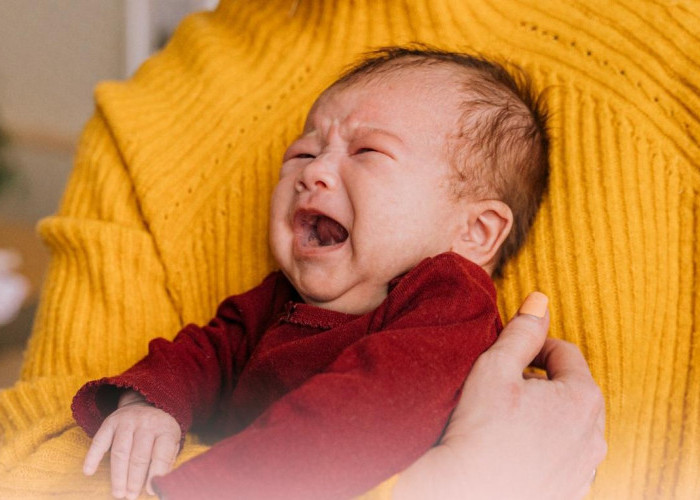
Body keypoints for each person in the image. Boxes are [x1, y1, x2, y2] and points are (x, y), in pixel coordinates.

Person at [71, 47, 559, 499]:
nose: (312, 171)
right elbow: (206, 354)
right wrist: (149, 407)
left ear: (476, 229)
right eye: (302, 154)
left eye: (367, 152)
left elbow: (362, 415)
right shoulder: (279, 298)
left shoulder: (451, 304)